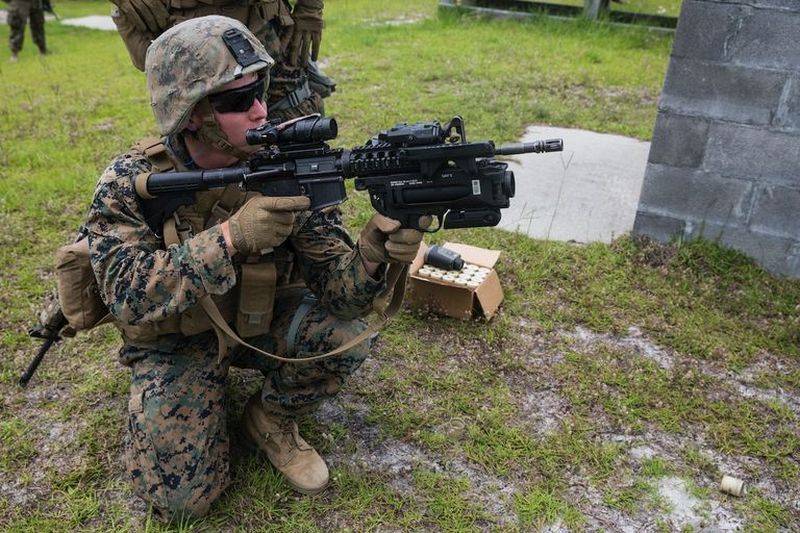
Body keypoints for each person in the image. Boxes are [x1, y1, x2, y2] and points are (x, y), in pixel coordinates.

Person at [84, 15, 426, 520]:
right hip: (177, 341)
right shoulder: (133, 180)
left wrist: (375, 250)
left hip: (261, 321)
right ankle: (190, 394)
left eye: (260, 90)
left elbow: (341, 295)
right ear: (191, 112)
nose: (260, 109)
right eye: (236, 101)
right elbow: (127, 294)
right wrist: (231, 239)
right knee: (182, 501)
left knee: (346, 331)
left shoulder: (285, 162)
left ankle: (269, 419)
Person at [110, 0, 332, 121]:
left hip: (265, 27)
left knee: (293, 124)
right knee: (202, 128)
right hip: (180, 32)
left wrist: (310, 8)